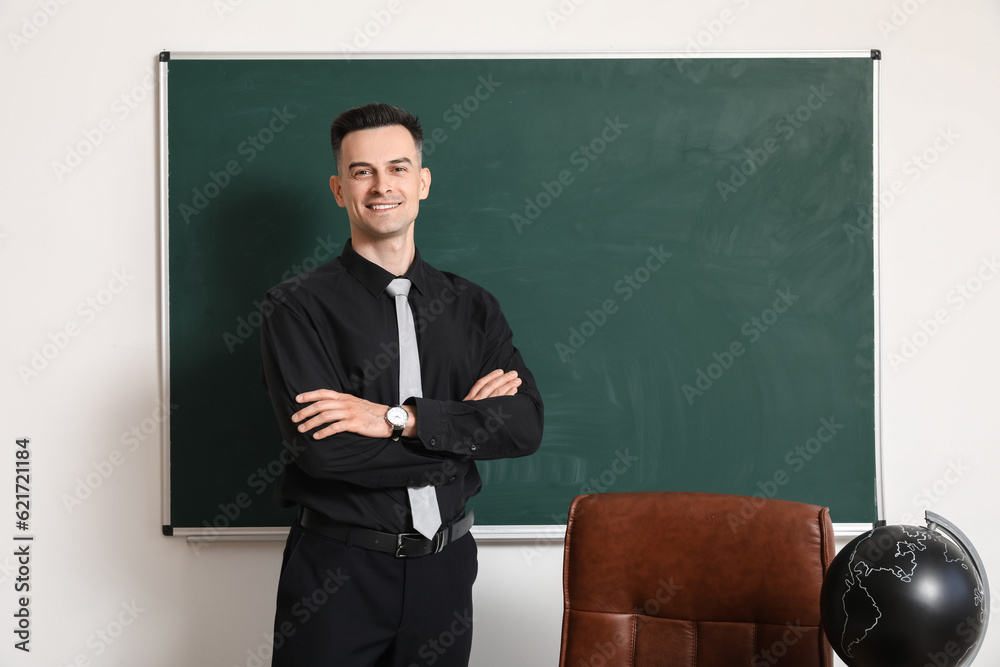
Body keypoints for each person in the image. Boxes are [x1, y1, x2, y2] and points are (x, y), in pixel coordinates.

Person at [259, 102, 544, 666]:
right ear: (340, 190)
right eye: (362, 172)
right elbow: (327, 453)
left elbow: (524, 425)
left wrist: (399, 419)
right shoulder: (295, 308)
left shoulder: (473, 307)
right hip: (338, 575)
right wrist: (459, 437)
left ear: (423, 181)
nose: (381, 185)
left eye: (397, 168)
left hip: (447, 568)